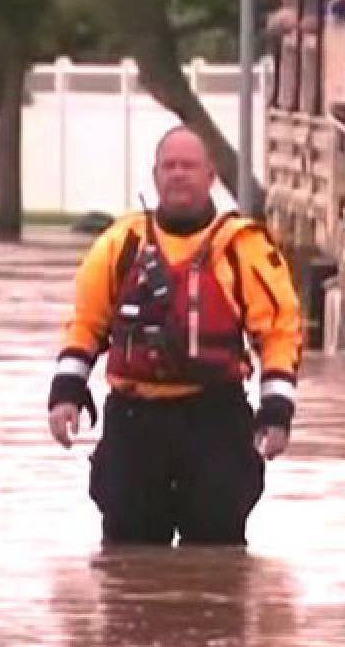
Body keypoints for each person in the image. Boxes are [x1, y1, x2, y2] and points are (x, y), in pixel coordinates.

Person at [47, 127, 301, 546]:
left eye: (189, 166)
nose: (179, 175)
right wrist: (66, 393)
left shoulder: (243, 248)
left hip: (215, 421)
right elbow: (86, 323)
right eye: (170, 166)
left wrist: (276, 411)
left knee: (217, 561)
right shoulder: (120, 244)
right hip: (135, 422)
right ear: (155, 175)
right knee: (129, 563)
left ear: (211, 176)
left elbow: (279, 332)